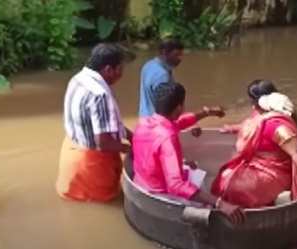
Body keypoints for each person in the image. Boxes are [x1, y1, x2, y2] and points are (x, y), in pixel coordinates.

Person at [132, 82, 245, 224]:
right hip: (159, 196)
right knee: (210, 205)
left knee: (191, 168)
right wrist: (220, 203)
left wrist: (207, 112)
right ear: (179, 107)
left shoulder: (143, 123)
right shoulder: (168, 137)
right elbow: (176, 185)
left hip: (140, 185)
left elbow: (180, 122)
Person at [212, 80, 297, 208]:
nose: (252, 107)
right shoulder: (262, 115)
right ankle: (259, 203)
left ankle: (252, 210)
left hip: (277, 169)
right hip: (260, 162)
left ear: (261, 103)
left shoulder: (278, 127)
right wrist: (232, 128)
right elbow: (252, 126)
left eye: (253, 102)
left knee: (237, 188)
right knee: (226, 176)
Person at [56, 43, 132, 202]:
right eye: (120, 69)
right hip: (92, 164)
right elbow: (103, 142)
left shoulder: (78, 79)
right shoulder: (100, 94)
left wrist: (130, 135)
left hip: (71, 153)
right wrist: (129, 149)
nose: (122, 74)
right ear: (109, 70)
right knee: (107, 205)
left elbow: (101, 123)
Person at [138, 39, 184, 117]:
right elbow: (164, 106)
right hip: (156, 122)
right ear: (164, 53)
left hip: (144, 117)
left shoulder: (148, 65)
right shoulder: (162, 75)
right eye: (176, 55)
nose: (180, 59)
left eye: (181, 55)